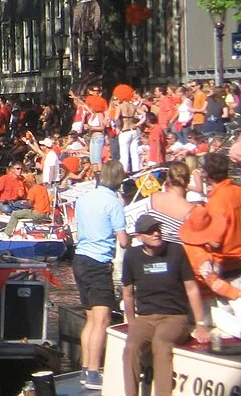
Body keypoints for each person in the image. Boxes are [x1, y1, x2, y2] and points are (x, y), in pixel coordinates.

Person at [121, 213, 209, 396]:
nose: (156, 233)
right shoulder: (132, 256)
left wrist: (200, 325)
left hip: (174, 317)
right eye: (150, 231)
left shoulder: (176, 251)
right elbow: (128, 294)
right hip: (145, 318)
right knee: (131, 347)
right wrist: (132, 322)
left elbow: (192, 289)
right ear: (139, 237)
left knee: (161, 343)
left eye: (158, 229)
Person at [72, 161, 129, 391]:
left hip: (80, 259)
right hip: (97, 262)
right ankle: (94, 373)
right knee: (103, 319)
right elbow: (123, 240)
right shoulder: (114, 203)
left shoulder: (84, 198)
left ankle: (86, 368)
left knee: (91, 319)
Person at [203, 153, 241, 271]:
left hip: (228, 263)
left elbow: (214, 242)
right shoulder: (238, 190)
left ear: (207, 174)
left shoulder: (216, 202)